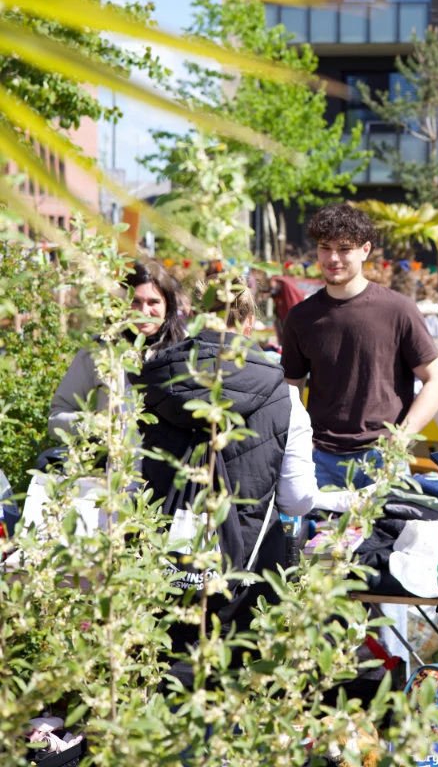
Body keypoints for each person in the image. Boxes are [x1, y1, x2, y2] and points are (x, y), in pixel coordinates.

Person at [134, 278, 317, 675]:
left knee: (164, 680)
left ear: (195, 317)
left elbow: (133, 472)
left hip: (162, 569)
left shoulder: (153, 383)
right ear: (249, 322)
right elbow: (298, 498)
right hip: (246, 577)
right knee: (232, 691)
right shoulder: (283, 397)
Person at [280, 203, 438, 489]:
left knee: (388, 534)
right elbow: (290, 387)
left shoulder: (398, 309)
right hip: (318, 458)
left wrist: (402, 438)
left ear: (365, 250)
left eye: (345, 249)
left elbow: (436, 381)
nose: (333, 258)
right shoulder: (301, 316)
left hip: (383, 456)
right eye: (325, 247)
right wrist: (299, 440)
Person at [49, 260, 185, 437]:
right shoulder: (99, 352)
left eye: (153, 302)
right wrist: (97, 426)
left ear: (167, 307)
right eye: (135, 302)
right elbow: (57, 418)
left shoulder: (185, 351)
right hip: (115, 462)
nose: (143, 312)